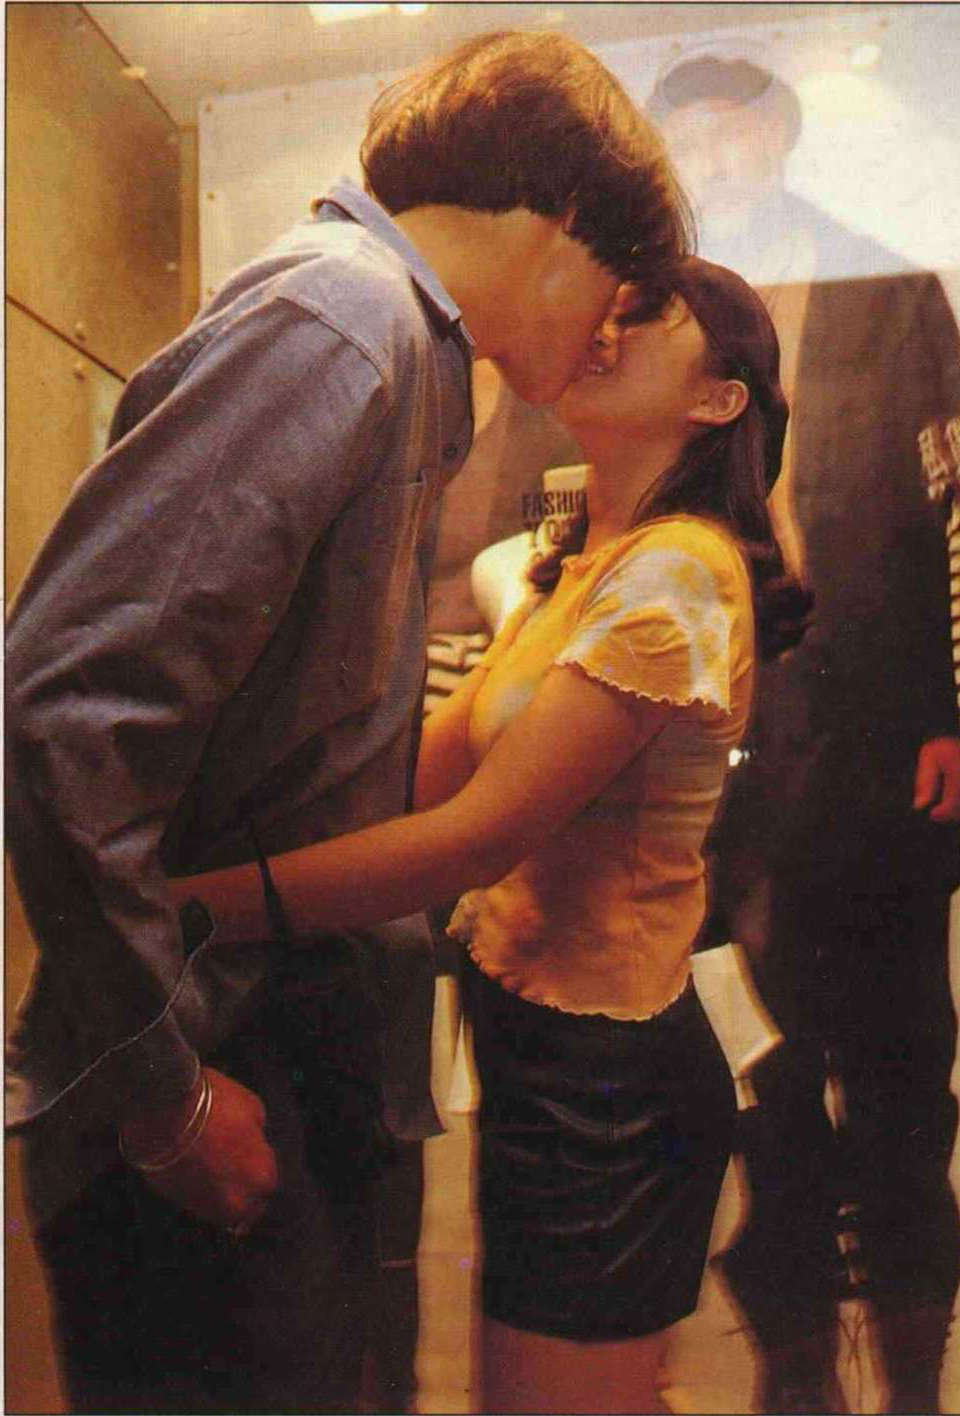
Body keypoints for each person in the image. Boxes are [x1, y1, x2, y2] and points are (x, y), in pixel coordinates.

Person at [4, 30, 692, 1415]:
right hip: (215, 1055)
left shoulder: (402, 348)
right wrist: (164, 1094)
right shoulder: (341, 320)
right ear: (560, 219)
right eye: (616, 290)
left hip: (275, 1046)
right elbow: (68, 706)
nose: (607, 334)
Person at [170, 256, 812, 1414]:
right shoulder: (587, 563)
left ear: (718, 398)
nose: (605, 329)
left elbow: (467, 841)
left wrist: (191, 904)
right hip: (537, 1045)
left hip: (605, 1086)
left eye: (647, 317)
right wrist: (217, 823)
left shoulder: (677, 574)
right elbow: (421, 772)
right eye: (606, 307)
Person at [647, 51, 960, 1414]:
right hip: (722, 756)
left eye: (732, 132)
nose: (713, 160)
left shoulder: (883, 286)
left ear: (778, 135)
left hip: (883, 732)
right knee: (754, 1055)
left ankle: (912, 1345)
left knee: (901, 1049)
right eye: (688, 141)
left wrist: (957, 720)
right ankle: (790, 1339)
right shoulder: (661, 312)